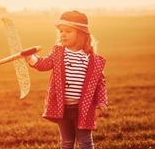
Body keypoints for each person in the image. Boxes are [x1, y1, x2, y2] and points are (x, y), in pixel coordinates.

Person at [26, 10, 109, 149]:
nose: (63, 34)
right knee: (66, 142)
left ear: (81, 34)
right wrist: (31, 58)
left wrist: (101, 101)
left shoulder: (91, 59)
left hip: (83, 108)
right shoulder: (59, 53)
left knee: (85, 142)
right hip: (62, 108)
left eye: (68, 31)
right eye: (61, 31)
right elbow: (44, 64)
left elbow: (100, 83)